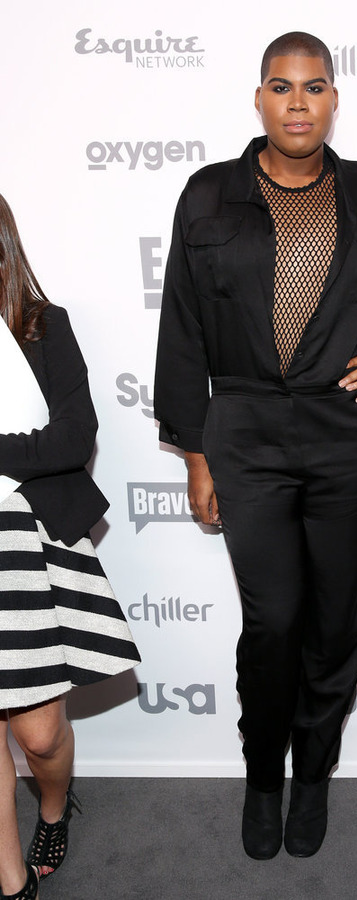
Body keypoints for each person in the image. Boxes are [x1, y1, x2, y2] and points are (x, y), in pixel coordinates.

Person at [154, 31, 357, 860]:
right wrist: (195, 454)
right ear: (258, 99)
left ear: (335, 99)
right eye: (281, 86)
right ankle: (265, 778)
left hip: (345, 434)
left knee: (336, 622)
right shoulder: (207, 197)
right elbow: (183, 331)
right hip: (246, 431)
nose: (298, 102)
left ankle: (315, 776)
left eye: (315, 86)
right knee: (273, 623)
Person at [0, 194, 140, 900]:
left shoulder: (42, 328)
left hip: (25, 540)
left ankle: (53, 806)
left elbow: (72, 440)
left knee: (41, 737)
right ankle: (10, 878)